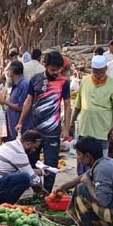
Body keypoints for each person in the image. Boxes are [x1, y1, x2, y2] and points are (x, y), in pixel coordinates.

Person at [18, 51, 71, 192]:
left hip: (53, 132)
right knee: (30, 162)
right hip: (34, 130)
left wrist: (66, 129)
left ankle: (47, 192)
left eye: (58, 70)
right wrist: (21, 122)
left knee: (51, 165)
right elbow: (28, 102)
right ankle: (36, 190)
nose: (56, 72)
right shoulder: (35, 80)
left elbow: (67, 105)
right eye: (53, 69)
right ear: (45, 65)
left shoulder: (64, 82)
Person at [68, 55, 113, 174]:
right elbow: (78, 104)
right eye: (95, 72)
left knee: (100, 162)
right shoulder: (85, 80)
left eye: (101, 72)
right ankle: (81, 182)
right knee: (82, 158)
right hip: (85, 127)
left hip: (103, 129)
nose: (98, 74)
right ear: (92, 69)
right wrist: (72, 122)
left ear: (105, 69)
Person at [0, 130, 45, 204]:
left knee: (25, 175)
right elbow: (33, 179)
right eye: (34, 148)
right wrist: (44, 193)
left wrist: (41, 171)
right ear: (28, 144)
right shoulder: (18, 153)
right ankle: (3, 202)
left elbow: (27, 170)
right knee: (25, 178)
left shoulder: (12, 144)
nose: (34, 150)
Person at [0, 61, 28, 140]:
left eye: (9, 70)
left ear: (12, 72)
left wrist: (5, 102)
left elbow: (21, 107)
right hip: (12, 121)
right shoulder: (14, 85)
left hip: (19, 123)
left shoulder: (24, 85)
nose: (8, 73)